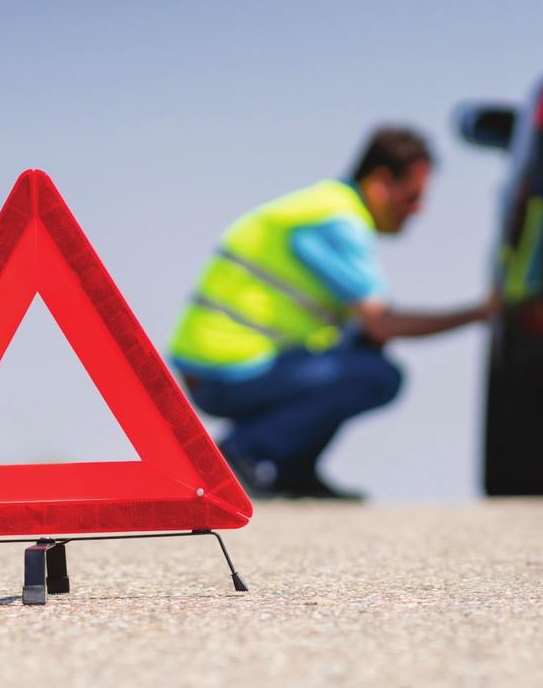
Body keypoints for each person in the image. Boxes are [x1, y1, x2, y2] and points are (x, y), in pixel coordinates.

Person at [168, 126, 495, 499]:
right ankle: (242, 454)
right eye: (412, 197)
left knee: (364, 351)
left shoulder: (323, 205)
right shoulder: (334, 221)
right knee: (375, 374)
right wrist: (480, 313)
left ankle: (292, 470)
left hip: (225, 365)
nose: (418, 210)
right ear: (381, 182)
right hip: (226, 371)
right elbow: (382, 323)